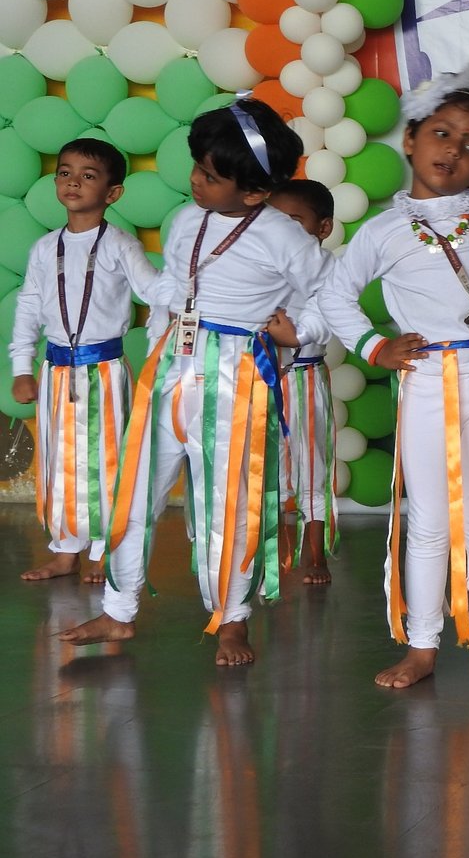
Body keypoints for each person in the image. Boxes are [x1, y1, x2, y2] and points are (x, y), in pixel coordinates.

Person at [309, 70, 469, 691]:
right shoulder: (383, 230)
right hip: (424, 379)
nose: (453, 150)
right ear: (411, 140)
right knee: (427, 519)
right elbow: (336, 293)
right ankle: (421, 645)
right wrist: (374, 346)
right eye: (442, 134)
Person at [60, 99, 322, 665]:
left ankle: (231, 618)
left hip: (234, 380)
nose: (196, 181)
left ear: (254, 192)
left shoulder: (284, 236)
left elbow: (329, 294)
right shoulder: (184, 220)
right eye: (197, 168)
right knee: (134, 492)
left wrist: (299, 333)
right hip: (170, 372)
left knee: (227, 505)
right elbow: (171, 291)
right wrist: (158, 338)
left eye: (210, 175)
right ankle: (119, 609)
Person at [10, 137, 160, 583]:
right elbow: (28, 306)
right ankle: (65, 549)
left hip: (104, 370)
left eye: (88, 175)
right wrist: (22, 367)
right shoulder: (44, 248)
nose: (73, 182)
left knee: (104, 460)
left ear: (113, 193)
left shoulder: (120, 245)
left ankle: (104, 549)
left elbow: (156, 293)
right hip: (56, 371)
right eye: (65, 172)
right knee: (59, 460)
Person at [268, 180, 338, 586]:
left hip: (304, 378)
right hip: (263, 381)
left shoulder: (329, 272)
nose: (284, 232)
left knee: (312, 469)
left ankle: (315, 555)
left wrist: (292, 334)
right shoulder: (261, 266)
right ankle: (273, 555)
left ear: (323, 228)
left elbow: (325, 320)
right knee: (267, 470)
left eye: (294, 222)